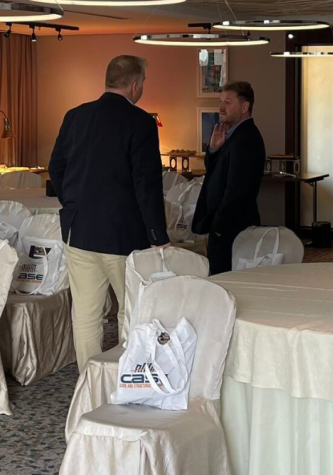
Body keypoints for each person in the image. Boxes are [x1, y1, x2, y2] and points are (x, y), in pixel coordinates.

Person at [48, 55, 169, 371]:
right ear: (135, 85)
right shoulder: (141, 122)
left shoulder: (75, 116)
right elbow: (147, 184)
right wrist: (158, 236)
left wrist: (73, 202)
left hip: (79, 230)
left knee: (86, 314)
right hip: (123, 235)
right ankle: (127, 377)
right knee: (131, 311)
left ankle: (89, 381)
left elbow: (56, 167)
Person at [192, 81, 266, 275]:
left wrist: (217, 225)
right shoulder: (232, 135)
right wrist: (214, 149)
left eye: (227, 101)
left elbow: (236, 190)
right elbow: (215, 172)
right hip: (225, 227)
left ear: (244, 106)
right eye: (220, 101)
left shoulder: (246, 138)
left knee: (225, 279)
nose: (221, 107)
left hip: (232, 229)